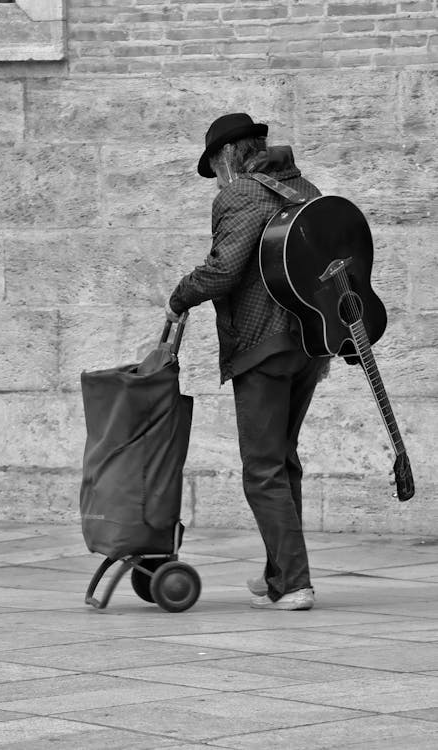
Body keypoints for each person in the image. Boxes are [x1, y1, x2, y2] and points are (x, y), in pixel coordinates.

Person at [166, 112, 330, 611]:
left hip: (264, 348)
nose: (216, 177)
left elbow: (222, 272)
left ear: (227, 157)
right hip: (309, 345)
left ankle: (296, 582)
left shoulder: (239, 195)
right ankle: (279, 572)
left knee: (261, 468)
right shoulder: (305, 188)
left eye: (215, 165)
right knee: (283, 461)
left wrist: (178, 297)